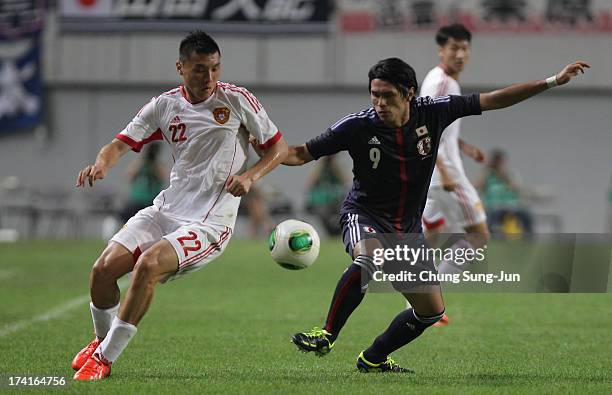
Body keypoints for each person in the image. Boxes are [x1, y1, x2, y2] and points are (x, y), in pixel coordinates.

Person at [256, 57, 588, 373]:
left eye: (387, 96)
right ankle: (326, 334)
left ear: (409, 93)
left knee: (430, 311)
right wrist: (263, 146)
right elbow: (300, 154)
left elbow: (494, 99)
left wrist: (552, 81)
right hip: (365, 213)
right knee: (368, 259)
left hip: (407, 228)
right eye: (375, 95)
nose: (380, 103)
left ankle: (373, 358)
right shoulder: (357, 126)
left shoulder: (434, 113)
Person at [72, 30, 288, 381]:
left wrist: (250, 177)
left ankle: (105, 359)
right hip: (166, 209)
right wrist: (101, 164)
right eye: (201, 69)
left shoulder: (236, 100)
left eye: (216, 69)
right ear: (181, 67)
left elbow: (278, 149)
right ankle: (100, 341)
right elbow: (118, 144)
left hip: (209, 222)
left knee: (149, 266)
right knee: (102, 271)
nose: (210, 78)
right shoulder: (164, 105)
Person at [418, 24, 488, 326]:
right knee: (478, 236)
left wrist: (464, 146)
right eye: (454, 49)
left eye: (464, 49)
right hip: (444, 175)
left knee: (430, 235)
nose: (460, 55)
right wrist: (445, 169)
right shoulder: (444, 84)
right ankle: (432, 302)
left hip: (432, 171)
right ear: (441, 50)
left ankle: (421, 300)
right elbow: (425, 130)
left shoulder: (435, 79)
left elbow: (434, 125)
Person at [475, 148, 534, 236]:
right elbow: (476, 186)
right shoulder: (487, 175)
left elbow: (517, 189)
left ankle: (528, 238)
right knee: (489, 216)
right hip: (493, 207)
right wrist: (486, 172)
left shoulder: (510, 174)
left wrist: (503, 175)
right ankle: (489, 237)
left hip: (512, 206)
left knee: (526, 214)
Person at [119, 142, 167, 223]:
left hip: (152, 200)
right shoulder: (141, 164)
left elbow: (163, 177)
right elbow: (129, 175)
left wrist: (154, 164)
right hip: (137, 200)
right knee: (128, 219)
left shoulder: (158, 166)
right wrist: (142, 161)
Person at [305, 154, 348, 236]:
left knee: (343, 213)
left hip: (337, 199)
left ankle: (339, 232)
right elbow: (311, 182)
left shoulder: (336, 167)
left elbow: (345, 180)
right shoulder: (319, 168)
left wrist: (334, 165)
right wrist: (320, 163)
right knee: (323, 215)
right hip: (322, 201)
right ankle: (331, 233)